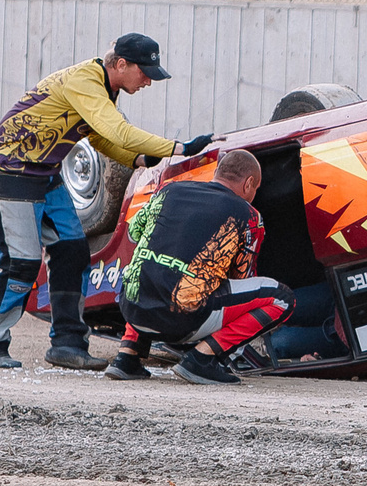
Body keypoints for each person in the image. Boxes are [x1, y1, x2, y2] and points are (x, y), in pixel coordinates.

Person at [0, 31, 202, 372]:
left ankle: (67, 344)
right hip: (12, 170)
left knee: (73, 251)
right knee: (19, 263)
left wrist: (138, 161)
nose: (148, 82)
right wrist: (177, 148)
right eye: (145, 73)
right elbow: (118, 133)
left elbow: (95, 136)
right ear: (121, 64)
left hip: (44, 172)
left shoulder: (102, 88)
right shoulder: (85, 80)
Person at [104, 148, 287, 386]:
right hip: (183, 321)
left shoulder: (169, 190)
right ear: (249, 183)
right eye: (256, 189)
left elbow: (134, 232)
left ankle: (126, 357)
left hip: (131, 308)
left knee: (148, 268)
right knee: (281, 298)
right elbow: (242, 276)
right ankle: (202, 358)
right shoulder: (249, 216)